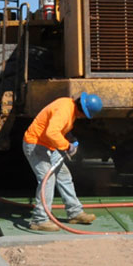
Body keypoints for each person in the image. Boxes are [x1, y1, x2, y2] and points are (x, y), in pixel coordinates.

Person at [22, 93, 103, 231]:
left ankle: (75, 213)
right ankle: (39, 220)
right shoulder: (65, 110)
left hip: (47, 145)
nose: (83, 118)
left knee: (64, 176)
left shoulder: (69, 108)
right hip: (35, 145)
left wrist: (70, 138)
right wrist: (67, 146)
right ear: (83, 111)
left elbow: (59, 129)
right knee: (47, 179)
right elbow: (51, 132)